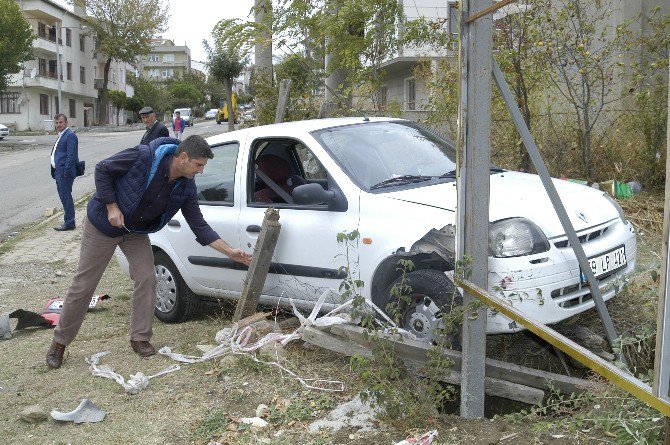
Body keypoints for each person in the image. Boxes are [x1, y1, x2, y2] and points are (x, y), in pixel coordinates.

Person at [45, 135, 252, 369]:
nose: (201, 171)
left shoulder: (185, 187)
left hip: (134, 231)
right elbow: (103, 169)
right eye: (199, 165)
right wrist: (112, 206)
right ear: (183, 157)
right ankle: (59, 343)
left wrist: (229, 252)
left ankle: (140, 338)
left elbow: (199, 226)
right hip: (103, 226)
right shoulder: (143, 157)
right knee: (84, 285)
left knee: (147, 277)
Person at [50, 113, 80, 231]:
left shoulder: (70, 135)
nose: (58, 125)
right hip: (58, 172)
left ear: (66, 123)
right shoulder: (62, 135)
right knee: (64, 197)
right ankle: (69, 221)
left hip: (64, 173)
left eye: (60, 122)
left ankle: (69, 222)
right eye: (56, 123)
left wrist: (65, 172)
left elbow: (71, 156)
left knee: (66, 197)